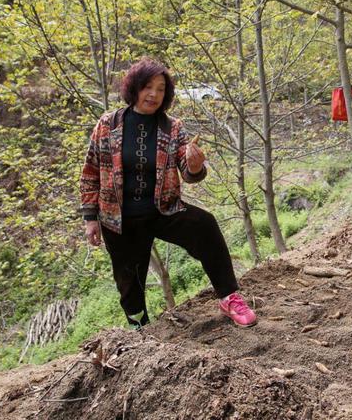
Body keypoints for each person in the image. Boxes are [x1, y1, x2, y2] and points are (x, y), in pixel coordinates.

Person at [80, 58, 257, 329]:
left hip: (163, 210)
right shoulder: (108, 124)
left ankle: (229, 297)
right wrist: (90, 217)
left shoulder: (172, 127)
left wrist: (195, 165)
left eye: (161, 89)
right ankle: (139, 327)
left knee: (205, 225)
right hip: (118, 218)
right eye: (147, 87)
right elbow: (90, 171)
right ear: (134, 88)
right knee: (129, 279)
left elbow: (188, 170)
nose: (153, 94)